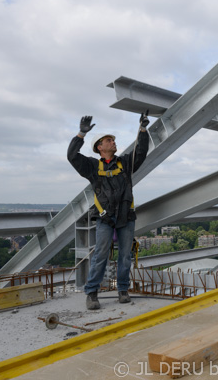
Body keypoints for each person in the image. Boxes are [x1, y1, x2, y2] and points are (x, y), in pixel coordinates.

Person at [68, 114, 150, 310]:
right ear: (99, 147)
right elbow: (72, 156)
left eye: (113, 140)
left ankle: (123, 290)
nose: (113, 142)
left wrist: (143, 130)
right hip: (105, 218)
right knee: (101, 255)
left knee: (125, 256)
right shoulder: (92, 166)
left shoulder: (124, 163)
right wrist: (81, 134)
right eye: (109, 141)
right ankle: (92, 293)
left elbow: (141, 151)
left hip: (125, 217)